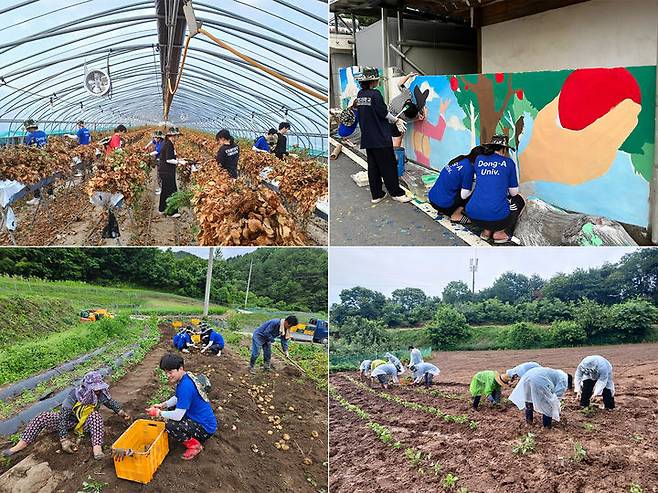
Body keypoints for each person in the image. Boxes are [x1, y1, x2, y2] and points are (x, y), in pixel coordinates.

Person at [2, 371, 130, 460]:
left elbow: (110, 402)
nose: (97, 391)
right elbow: (63, 416)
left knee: (95, 415)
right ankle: (20, 445)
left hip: (85, 424)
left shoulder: (100, 393)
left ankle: (97, 448)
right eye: (94, 388)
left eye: (98, 388)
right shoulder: (74, 395)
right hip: (70, 421)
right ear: (86, 386)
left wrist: (121, 412)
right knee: (42, 417)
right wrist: (64, 439)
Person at [354, 67, 411, 204]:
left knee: (373, 167)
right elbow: (383, 113)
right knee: (388, 166)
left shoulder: (360, 95)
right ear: (373, 81)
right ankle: (396, 193)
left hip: (368, 138)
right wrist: (396, 120)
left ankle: (377, 194)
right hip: (380, 137)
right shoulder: (376, 94)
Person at [146, 354, 217, 460]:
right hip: (201, 419)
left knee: (171, 425)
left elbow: (178, 416)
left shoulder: (185, 386)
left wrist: (158, 413)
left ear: (180, 369)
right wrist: (162, 405)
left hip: (205, 428)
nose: (167, 376)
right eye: (166, 372)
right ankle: (186, 433)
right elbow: (177, 397)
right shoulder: (186, 377)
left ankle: (194, 445)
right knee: (170, 409)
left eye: (170, 372)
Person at [465, 135, 525, 243]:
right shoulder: (508, 163)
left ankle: (486, 232)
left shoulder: (479, 159)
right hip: (496, 218)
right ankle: (500, 233)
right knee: (518, 200)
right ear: (504, 148)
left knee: (487, 197)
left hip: (473, 216)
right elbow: (514, 192)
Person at [427, 145, 488, 224]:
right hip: (443, 205)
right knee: (476, 188)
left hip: (433, 199)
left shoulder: (461, 159)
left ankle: (445, 210)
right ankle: (456, 214)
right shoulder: (468, 169)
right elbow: (464, 196)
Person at [158, 127, 186, 217]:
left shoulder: (168, 144)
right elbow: (169, 160)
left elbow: (170, 158)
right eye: (177, 136)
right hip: (167, 171)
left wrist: (179, 159)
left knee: (165, 190)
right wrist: (179, 162)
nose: (177, 138)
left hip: (165, 171)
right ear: (172, 136)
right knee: (172, 191)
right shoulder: (169, 144)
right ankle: (172, 212)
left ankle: (162, 209)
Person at [23, 120, 49, 205]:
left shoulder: (29, 136)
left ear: (29, 128)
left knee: (36, 178)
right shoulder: (43, 133)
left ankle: (37, 197)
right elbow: (46, 144)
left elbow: (27, 150)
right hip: (45, 158)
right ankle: (51, 194)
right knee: (47, 175)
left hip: (36, 161)